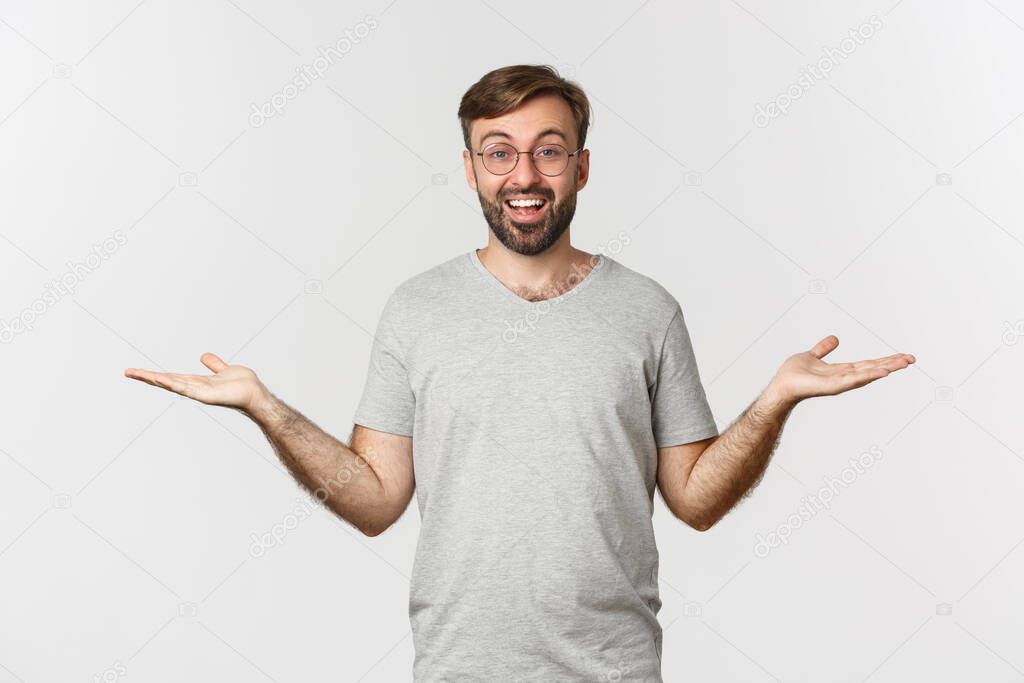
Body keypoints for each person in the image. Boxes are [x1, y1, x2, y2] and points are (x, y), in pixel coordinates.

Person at [124, 64, 915, 681]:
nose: (525, 175)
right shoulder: (416, 309)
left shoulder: (647, 311)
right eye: (498, 152)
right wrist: (266, 407)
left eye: (548, 150)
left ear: (582, 165)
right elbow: (374, 500)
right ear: (470, 170)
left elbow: (695, 501)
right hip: (458, 670)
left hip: (616, 672)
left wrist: (775, 399)